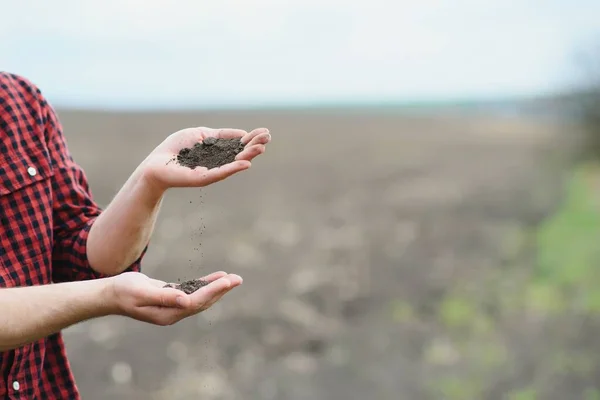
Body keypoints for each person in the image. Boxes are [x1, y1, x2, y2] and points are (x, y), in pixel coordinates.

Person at [0, 72, 271, 398]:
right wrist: (108, 296)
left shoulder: (18, 101)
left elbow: (79, 253)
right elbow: (101, 284)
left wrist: (149, 183)